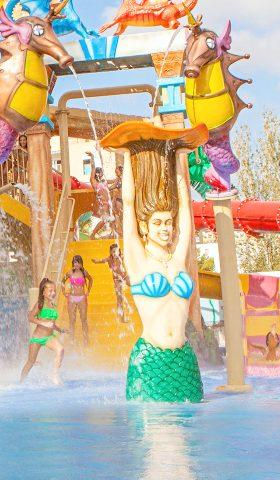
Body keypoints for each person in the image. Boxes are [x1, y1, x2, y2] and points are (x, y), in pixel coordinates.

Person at [117, 127, 204, 403]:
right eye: (157, 223)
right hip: (151, 361)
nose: (165, 228)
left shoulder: (178, 258)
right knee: (158, 440)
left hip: (184, 361)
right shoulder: (138, 260)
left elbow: (187, 214)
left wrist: (180, 162)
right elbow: (129, 204)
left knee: (187, 440)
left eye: (168, 222)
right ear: (145, 227)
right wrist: (126, 159)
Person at [20, 278, 68, 384]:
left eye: (54, 290)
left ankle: (54, 375)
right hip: (37, 338)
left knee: (60, 350)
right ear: (43, 292)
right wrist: (43, 323)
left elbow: (52, 324)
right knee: (31, 362)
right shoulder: (39, 304)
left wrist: (60, 330)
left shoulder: (53, 306)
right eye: (50, 290)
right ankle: (21, 382)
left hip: (49, 337)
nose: (53, 293)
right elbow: (30, 317)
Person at [93, 243, 131, 322]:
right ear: (110, 252)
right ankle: (122, 318)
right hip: (117, 280)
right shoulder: (109, 259)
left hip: (125, 277)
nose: (114, 253)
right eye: (113, 251)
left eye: (116, 251)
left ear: (119, 251)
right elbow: (102, 260)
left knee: (135, 286)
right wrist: (96, 261)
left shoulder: (121, 257)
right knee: (119, 299)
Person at [66, 255, 93, 346]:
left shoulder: (84, 272)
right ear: (73, 263)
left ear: (81, 263)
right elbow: (62, 281)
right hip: (72, 298)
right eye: (75, 262)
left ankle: (86, 340)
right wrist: (64, 292)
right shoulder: (70, 272)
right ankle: (71, 340)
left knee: (83, 319)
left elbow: (91, 279)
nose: (76, 264)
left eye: (78, 262)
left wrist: (88, 291)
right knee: (72, 320)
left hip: (82, 298)